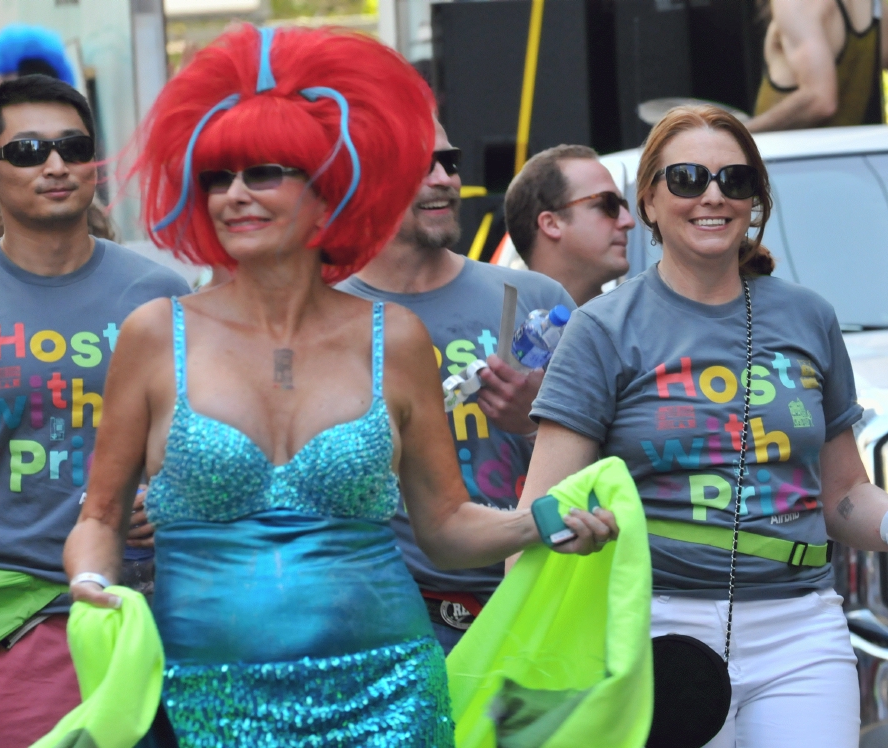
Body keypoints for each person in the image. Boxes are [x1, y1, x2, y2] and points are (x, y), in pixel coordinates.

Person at [61, 25, 616, 744]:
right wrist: (92, 584)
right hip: (202, 704)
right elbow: (100, 519)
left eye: (261, 173)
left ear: (329, 194)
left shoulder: (396, 340)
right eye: (217, 177)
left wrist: (541, 522)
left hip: (386, 698)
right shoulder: (152, 336)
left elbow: (444, 526)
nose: (234, 194)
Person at [516, 104, 888, 748]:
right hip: (652, 623)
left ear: (755, 202)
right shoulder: (603, 329)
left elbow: (843, 494)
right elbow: (539, 512)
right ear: (650, 203)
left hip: (801, 627)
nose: (712, 196)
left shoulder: (808, 318)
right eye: (687, 179)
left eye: (734, 181)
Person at [0, 76, 189, 747]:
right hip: (21, 624)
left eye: (74, 146)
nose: (57, 165)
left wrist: (171, 491)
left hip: (161, 614)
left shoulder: (158, 289)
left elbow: (204, 431)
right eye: (30, 149)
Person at [338, 121, 578, 654]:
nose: (443, 179)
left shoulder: (538, 297)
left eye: (450, 162)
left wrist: (534, 422)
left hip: (536, 605)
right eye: (418, 166)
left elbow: (608, 464)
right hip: (393, 625)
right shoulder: (327, 316)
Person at [746, 0, 888, 131]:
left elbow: (820, 101)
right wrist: (869, 152)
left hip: (783, 182)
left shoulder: (797, 4)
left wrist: (742, 132)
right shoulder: (884, 15)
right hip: (848, 182)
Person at [503, 144, 634, 306]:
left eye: (624, 206)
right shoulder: (493, 326)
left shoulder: (642, 326)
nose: (629, 221)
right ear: (551, 224)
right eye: (608, 204)